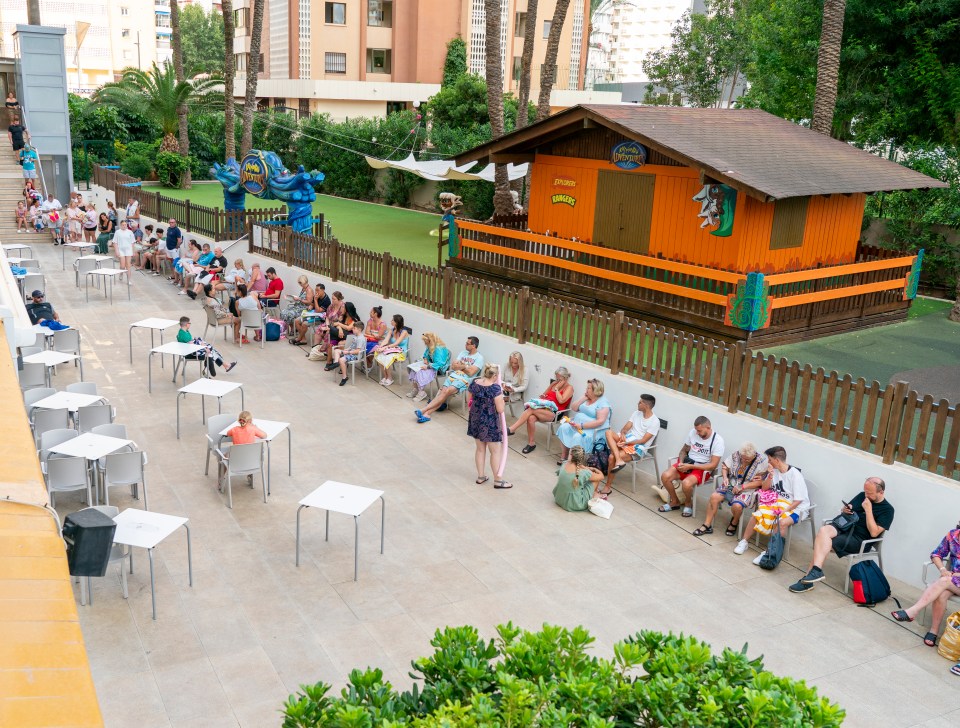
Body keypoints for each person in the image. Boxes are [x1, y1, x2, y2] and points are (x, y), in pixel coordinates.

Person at [789, 477, 894, 593]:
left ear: (881, 492)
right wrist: (845, 510)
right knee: (824, 531)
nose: (866, 495)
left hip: (858, 539)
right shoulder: (862, 495)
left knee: (823, 543)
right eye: (865, 492)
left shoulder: (888, 510)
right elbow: (847, 509)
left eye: (870, 493)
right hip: (845, 527)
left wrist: (868, 510)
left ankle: (808, 580)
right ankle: (815, 571)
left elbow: (874, 532)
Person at [889, 522, 960, 650]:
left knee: (943, 582)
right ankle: (933, 631)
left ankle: (913, 611)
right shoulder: (953, 535)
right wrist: (943, 569)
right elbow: (936, 554)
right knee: (941, 593)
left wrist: (954, 575)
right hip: (953, 581)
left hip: (954, 579)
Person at [734, 446, 810, 564]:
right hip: (778, 504)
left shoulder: (795, 475)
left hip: (797, 509)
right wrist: (769, 475)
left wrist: (785, 511)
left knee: (781, 522)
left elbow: (798, 500)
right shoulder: (774, 471)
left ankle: (770, 552)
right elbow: (764, 488)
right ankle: (744, 542)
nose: (768, 462)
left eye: (770, 460)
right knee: (757, 514)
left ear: (777, 460)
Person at [693, 442, 768, 537]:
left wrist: (743, 487)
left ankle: (734, 522)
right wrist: (725, 478)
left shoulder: (761, 462)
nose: (744, 461)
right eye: (743, 458)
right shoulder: (736, 455)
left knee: (737, 506)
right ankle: (707, 525)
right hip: (731, 483)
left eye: (747, 459)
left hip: (747, 489)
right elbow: (725, 467)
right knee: (714, 497)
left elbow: (760, 482)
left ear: (753, 456)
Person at [658, 416, 724, 518]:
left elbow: (713, 465)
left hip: (702, 468)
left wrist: (691, 466)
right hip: (687, 463)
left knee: (686, 484)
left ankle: (688, 503)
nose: (697, 433)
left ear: (708, 427)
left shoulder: (717, 441)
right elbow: (683, 451)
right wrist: (681, 462)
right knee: (665, 476)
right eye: (696, 430)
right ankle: (675, 501)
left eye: (699, 431)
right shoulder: (693, 432)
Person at [506, 366, 574, 454]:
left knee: (531, 409)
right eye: (556, 378)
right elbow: (544, 394)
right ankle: (531, 443)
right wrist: (543, 397)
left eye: (559, 379)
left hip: (555, 413)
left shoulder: (569, 388)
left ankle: (512, 429)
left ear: (564, 378)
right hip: (544, 408)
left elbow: (561, 400)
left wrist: (557, 389)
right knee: (531, 418)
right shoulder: (553, 384)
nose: (557, 381)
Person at [415, 336, 483, 423]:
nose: (465, 345)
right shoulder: (463, 353)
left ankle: (424, 410)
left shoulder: (479, 358)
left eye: (467, 343)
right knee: (443, 392)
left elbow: (471, 373)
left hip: (464, 380)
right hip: (453, 376)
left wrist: (461, 366)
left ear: (473, 346)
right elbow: (454, 366)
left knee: (445, 392)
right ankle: (426, 414)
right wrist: (465, 367)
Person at [604, 394, 660, 493]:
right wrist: (623, 434)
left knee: (611, 457)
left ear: (646, 405)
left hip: (637, 448)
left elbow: (643, 441)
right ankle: (619, 460)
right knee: (608, 432)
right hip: (627, 441)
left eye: (640, 402)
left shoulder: (655, 422)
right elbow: (625, 428)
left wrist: (627, 442)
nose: (637, 403)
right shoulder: (636, 413)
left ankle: (607, 487)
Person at [467, 362, 511, 489]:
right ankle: (498, 480)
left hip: (475, 419)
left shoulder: (475, 383)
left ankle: (481, 476)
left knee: (480, 449)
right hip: (490, 422)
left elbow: (468, 401)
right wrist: (502, 397)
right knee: (495, 451)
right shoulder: (495, 389)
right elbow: (500, 409)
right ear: (496, 375)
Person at [555, 378, 611, 465]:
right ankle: (564, 455)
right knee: (563, 427)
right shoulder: (587, 398)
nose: (586, 390)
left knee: (578, 437)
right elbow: (574, 408)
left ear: (595, 390)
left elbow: (600, 421)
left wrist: (581, 426)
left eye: (588, 388)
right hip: (577, 425)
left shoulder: (603, 403)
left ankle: (572, 462)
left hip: (592, 431)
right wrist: (583, 398)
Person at [553, 446, 605, 512]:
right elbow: (601, 476)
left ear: (571, 455)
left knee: (580, 482)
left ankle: (594, 493)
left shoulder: (564, 464)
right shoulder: (583, 473)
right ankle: (594, 494)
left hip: (559, 499)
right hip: (575, 504)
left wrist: (585, 468)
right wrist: (594, 469)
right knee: (595, 480)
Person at [406, 332, 450, 401]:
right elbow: (425, 354)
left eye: (425, 341)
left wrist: (428, 366)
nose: (425, 343)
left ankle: (421, 393)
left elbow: (440, 363)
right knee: (413, 369)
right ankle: (416, 389)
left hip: (439, 368)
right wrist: (425, 359)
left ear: (430, 340)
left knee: (420, 372)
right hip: (430, 364)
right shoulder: (430, 346)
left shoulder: (439, 349)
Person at [373, 313, 410, 385]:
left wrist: (385, 347)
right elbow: (386, 340)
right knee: (380, 354)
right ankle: (386, 376)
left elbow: (396, 343)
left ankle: (390, 378)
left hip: (401, 351)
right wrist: (381, 346)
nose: (391, 321)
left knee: (387, 357)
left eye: (392, 320)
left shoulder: (404, 332)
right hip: (392, 349)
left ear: (396, 322)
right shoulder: (392, 330)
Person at [327, 320, 366, 385]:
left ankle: (344, 377)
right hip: (350, 352)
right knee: (337, 351)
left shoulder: (360, 339)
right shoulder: (355, 336)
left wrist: (347, 352)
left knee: (341, 360)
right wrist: (346, 350)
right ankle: (336, 363)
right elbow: (352, 346)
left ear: (359, 329)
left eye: (354, 328)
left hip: (355, 355)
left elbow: (357, 351)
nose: (352, 329)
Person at [111, 219, 135, 284]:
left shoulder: (130, 232)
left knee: (128, 265)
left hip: (128, 250)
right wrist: (116, 251)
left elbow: (132, 242)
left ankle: (129, 279)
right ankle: (121, 273)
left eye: (125, 225)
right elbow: (115, 242)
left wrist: (133, 251)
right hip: (121, 250)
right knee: (122, 265)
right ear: (120, 225)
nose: (124, 226)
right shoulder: (117, 232)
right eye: (123, 225)